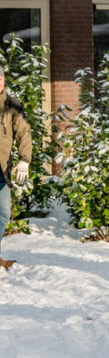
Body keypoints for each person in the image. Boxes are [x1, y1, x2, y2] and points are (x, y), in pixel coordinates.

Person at [0, 64, 32, 270]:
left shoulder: (12, 106)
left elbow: (24, 133)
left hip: (1, 170)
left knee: (3, 212)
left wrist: (24, 160)